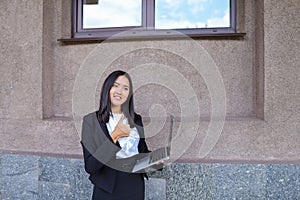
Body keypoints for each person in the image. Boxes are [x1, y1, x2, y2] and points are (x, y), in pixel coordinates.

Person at [81, 70, 152, 200]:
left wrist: (156, 160)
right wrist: (114, 136)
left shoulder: (136, 120)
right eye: (115, 85)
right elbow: (91, 166)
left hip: (135, 186)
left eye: (125, 88)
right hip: (108, 189)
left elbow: (142, 152)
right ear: (107, 89)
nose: (119, 91)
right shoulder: (91, 121)